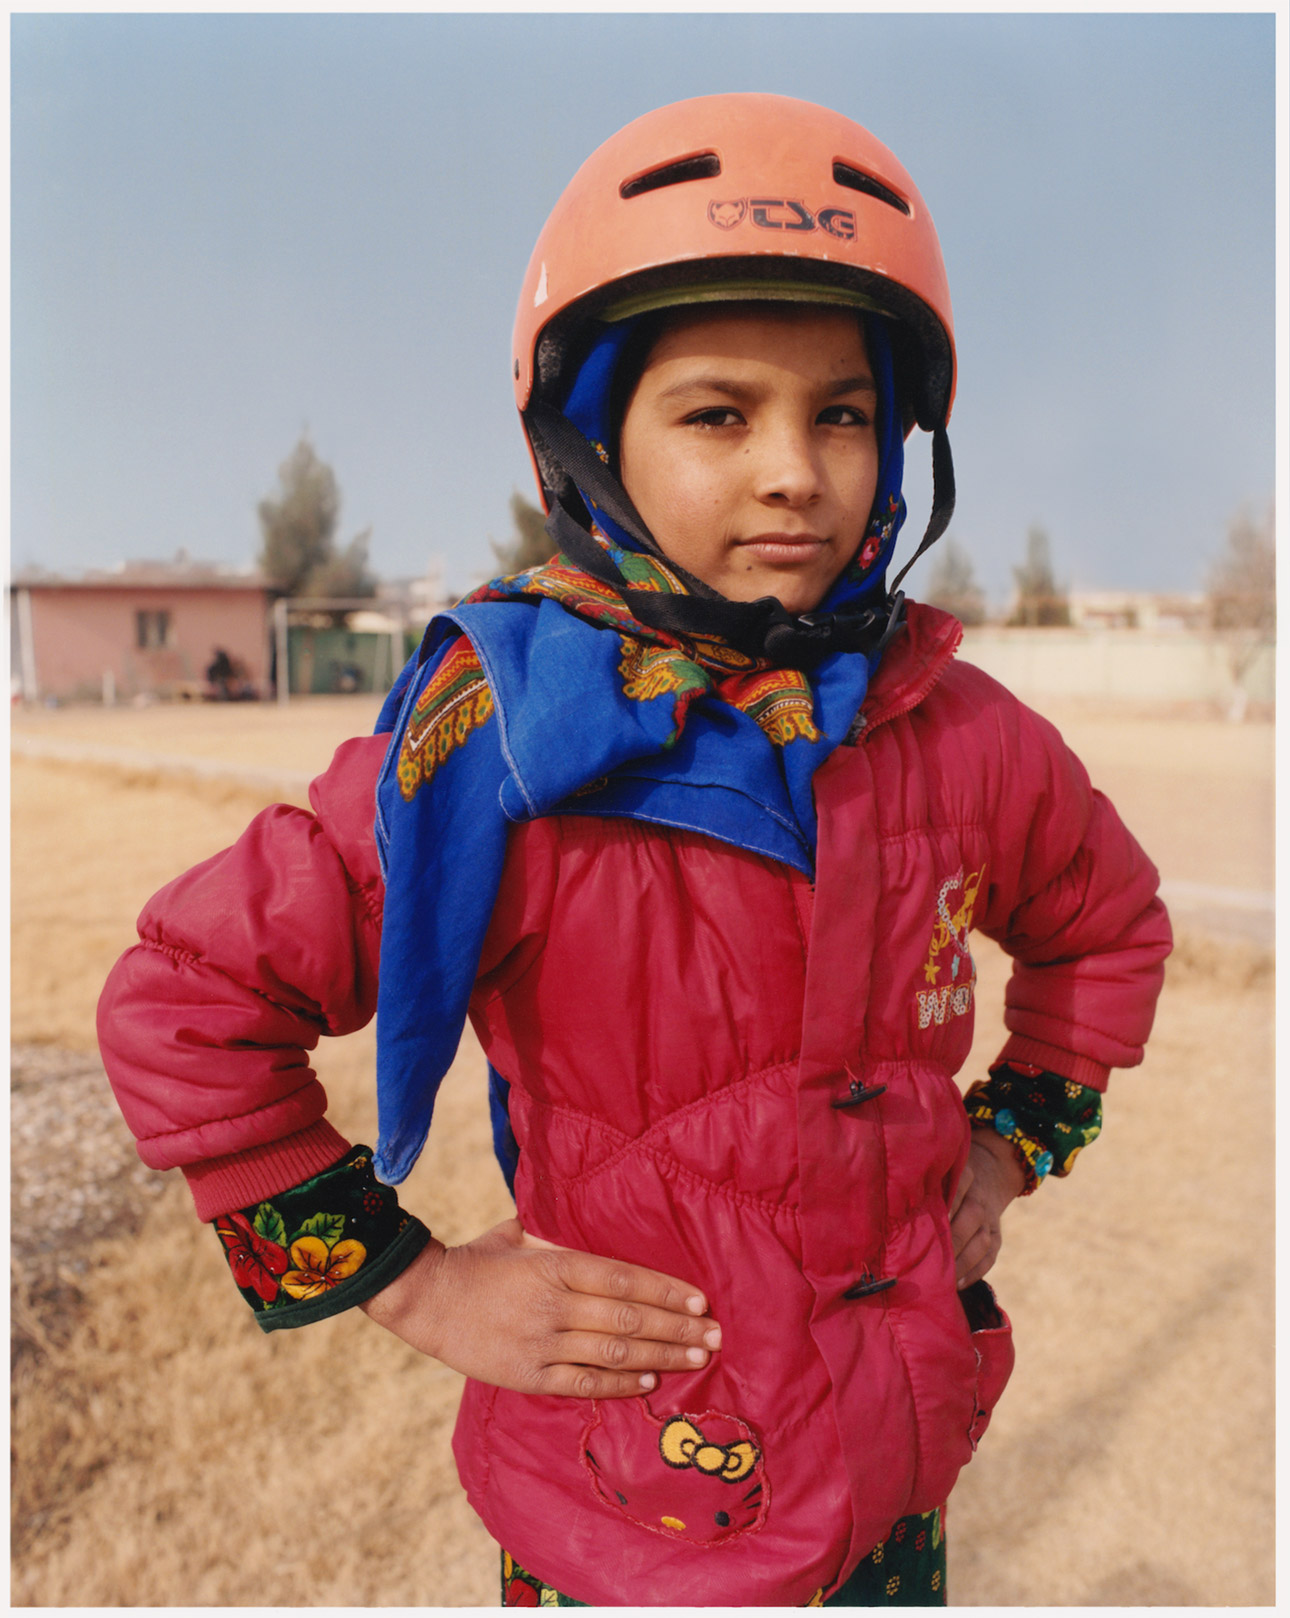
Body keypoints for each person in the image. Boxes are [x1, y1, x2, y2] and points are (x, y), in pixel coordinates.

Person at [98, 93, 1170, 1607]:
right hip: (624, 1521)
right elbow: (185, 1001)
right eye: (718, 414)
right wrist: (410, 1283)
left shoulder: (963, 732)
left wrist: (1011, 1143)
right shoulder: (503, 740)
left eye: (841, 413)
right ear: (594, 442)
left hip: (891, 1484)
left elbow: (1106, 926)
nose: (794, 470)